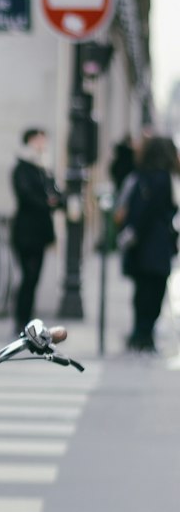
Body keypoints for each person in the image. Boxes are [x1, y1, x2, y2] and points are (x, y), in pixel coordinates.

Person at [115, 135, 179, 352]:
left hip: (142, 243)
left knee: (143, 289)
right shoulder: (163, 178)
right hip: (156, 242)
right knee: (154, 290)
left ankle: (140, 333)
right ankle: (144, 334)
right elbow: (157, 210)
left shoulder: (142, 175)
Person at [11, 128, 63, 332]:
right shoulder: (22, 168)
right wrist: (47, 202)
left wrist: (55, 200)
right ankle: (21, 319)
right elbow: (26, 195)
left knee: (34, 279)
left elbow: (56, 195)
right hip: (26, 231)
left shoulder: (44, 167)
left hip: (40, 231)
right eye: (38, 139)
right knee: (28, 276)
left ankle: (27, 319)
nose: (42, 144)